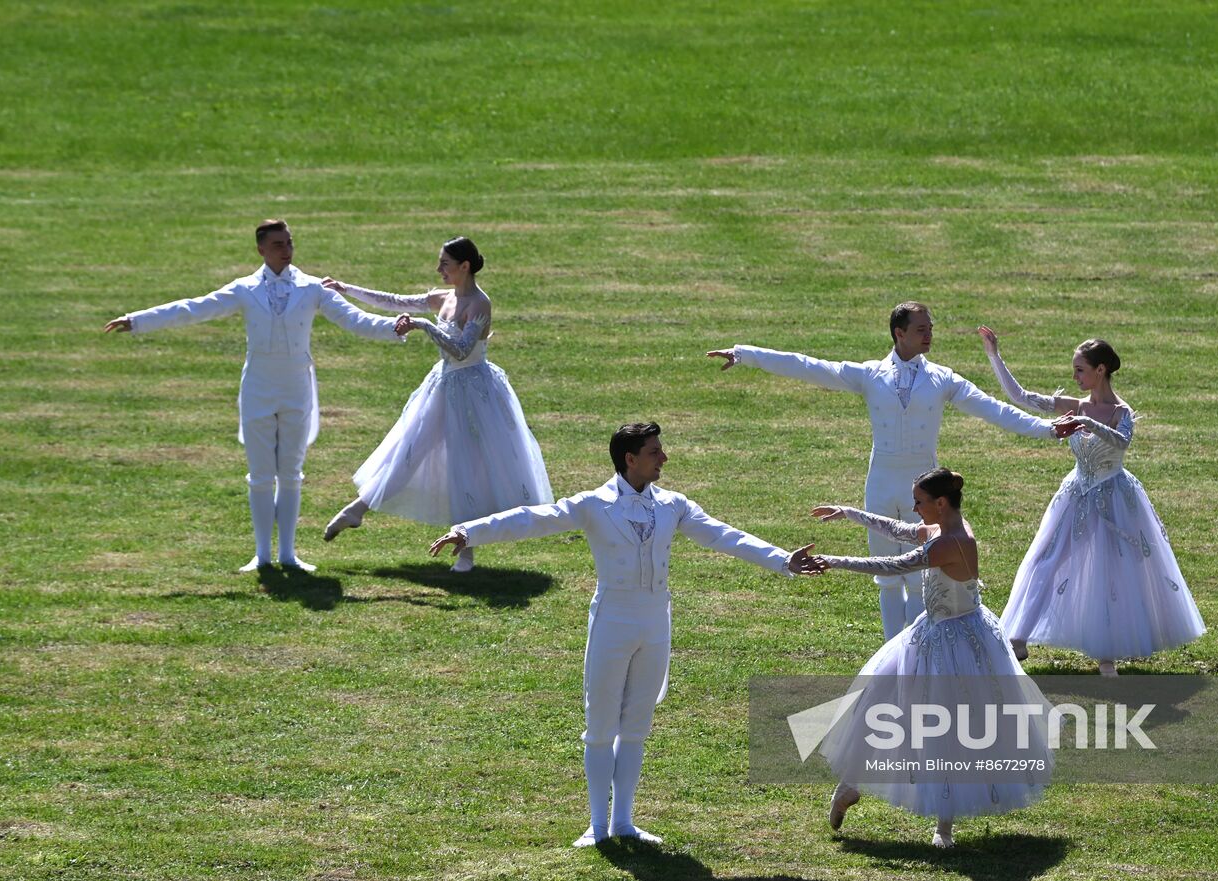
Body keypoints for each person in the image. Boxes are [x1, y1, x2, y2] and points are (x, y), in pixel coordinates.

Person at [428, 422, 826, 847]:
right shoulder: (593, 505)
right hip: (613, 621)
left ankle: (623, 821)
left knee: (636, 726)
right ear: (629, 459)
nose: (664, 458)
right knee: (600, 726)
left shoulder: (674, 505)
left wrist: (783, 560)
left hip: (655, 623)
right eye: (655, 452)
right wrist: (471, 530)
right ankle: (597, 825)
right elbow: (534, 518)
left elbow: (723, 536)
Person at [708, 303, 1056, 639]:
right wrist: (745, 353)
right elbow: (808, 366)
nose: (929, 335)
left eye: (930, 329)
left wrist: (1048, 429)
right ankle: (892, 657)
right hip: (881, 485)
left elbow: (994, 410)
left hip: (928, 490)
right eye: (921, 329)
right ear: (898, 332)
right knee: (887, 579)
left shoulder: (943, 379)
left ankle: (918, 651)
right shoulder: (870, 374)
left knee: (921, 575)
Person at [102, 219, 405, 572]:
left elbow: (355, 319)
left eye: (289, 242)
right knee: (260, 474)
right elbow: (193, 308)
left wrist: (393, 327)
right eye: (278, 244)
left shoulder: (312, 288)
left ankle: (288, 554)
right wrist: (138, 320)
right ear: (261, 249)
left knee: (291, 472)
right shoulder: (244, 289)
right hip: (258, 388)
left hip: (296, 388)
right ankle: (262, 555)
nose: (286, 250)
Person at [810, 468, 1053, 849]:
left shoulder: (952, 544)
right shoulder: (941, 530)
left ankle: (944, 826)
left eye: (919, 501)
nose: (914, 508)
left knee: (952, 729)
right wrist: (849, 512)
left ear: (940, 503)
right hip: (931, 630)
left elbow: (893, 565)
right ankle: (851, 785)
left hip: (961, 641)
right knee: (880, 698)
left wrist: (833, 560)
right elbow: (901, 530)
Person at [978, 327, 1206, 675]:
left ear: (1100, 370)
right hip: (1074, 495)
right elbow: (1022, 397)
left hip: (1113, 497)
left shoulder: (1120, 411)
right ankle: (1019, 639)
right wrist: (994, 355)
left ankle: (1106, 657)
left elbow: (1121, 442)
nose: (1074, 376)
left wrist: (1086, 422)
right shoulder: (1078, 405)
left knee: (1108, 573)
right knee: (1045, 560)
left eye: (1080, 369)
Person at [319, 237, 553, 572]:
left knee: (466, 467)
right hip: (442, 387)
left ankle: (466, 549)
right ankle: (357, 509)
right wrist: (347, 289)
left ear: (464, 266)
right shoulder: (443, 297)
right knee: (410, 451)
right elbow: (395, 300)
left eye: (445, 263)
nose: (439, 269)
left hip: (474, 393)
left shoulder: (479, 304)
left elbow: (460, 349)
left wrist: (423, 326)